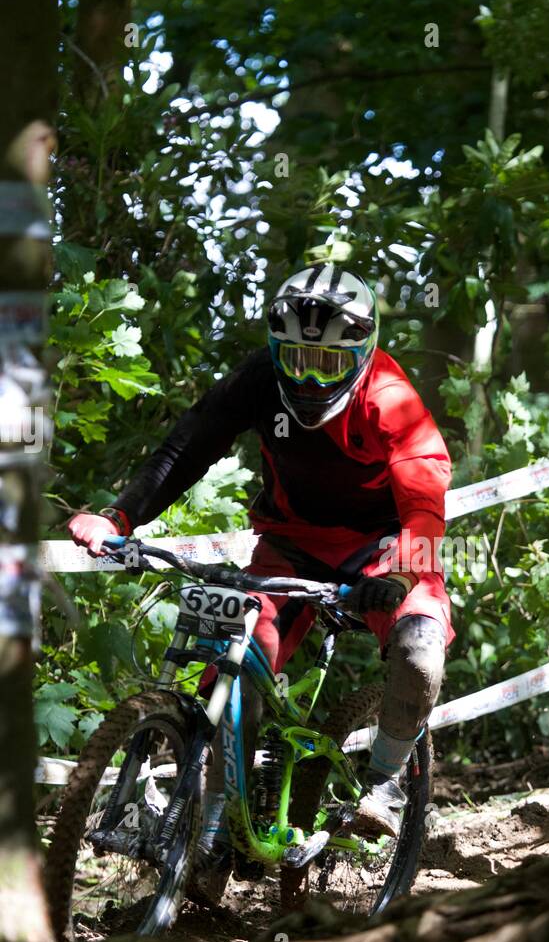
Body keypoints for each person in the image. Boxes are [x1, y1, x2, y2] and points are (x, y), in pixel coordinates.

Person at [67, 263, 452, 901]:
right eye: (294, 357)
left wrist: (407, 573)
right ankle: (213, 837)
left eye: (326, 363)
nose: (306, 376)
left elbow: (423, 501)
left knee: (419, 649)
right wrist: (118, 517)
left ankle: (384, 783)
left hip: (386, 549)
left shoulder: (390, 397)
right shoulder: (259, 380)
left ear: (359, 356)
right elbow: (186, 447)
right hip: (291, 543)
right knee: (231, 668)